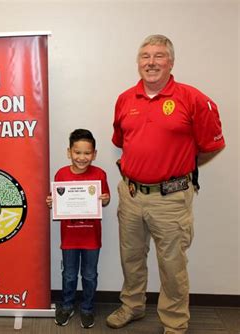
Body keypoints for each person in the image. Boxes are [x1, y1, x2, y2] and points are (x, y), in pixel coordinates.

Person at [107, 35, 225, 334]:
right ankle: (132, 306)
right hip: (131, 194)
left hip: (171, 199)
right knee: (131, 257)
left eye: (159, 56)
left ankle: (174, 322)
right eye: (145, 56)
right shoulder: (124, 99)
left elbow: (212, 144)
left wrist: (181, 171)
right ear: (138, 63)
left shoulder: (192, 98)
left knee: (172, 265)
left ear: (171, 62)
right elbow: (122, 141)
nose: (151, 62)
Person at [46, 129, 110, 329]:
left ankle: (87, 308)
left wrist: (105, 199)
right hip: (70, 238)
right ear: (69, 152)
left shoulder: (99, 174)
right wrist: (51, 201)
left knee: (90, 275)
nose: (82, 158)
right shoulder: (61, 174)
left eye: (87, 153)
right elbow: (55, 198)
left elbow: (105, 198)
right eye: (77, 152)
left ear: (94, 154)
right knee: (69, 274)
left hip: (91, 237)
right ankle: (66, 306)